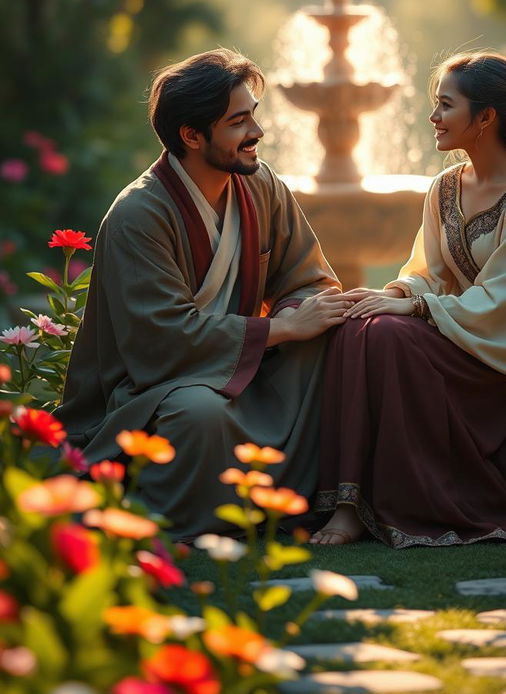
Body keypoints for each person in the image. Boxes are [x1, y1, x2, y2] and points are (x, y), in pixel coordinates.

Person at [57, 49, 350, 540]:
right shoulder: (138, 216)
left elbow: (306, 279)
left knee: (339, 345)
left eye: (253, 116)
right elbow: (160, 338)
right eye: (239, 122)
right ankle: (198, 529)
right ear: (191, 136)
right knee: (200, 414)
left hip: (241, 363)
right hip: (155, 386)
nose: (257, 132)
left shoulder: (261, 185)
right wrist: (279, 329)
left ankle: (311, 506)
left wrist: (302, 317)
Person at [311, 51, 506, 547]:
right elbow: (430, 274)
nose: (433, 117)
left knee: (388, 338)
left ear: (485, 117)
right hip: (454, 336)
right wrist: (394, 294)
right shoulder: (444, 188)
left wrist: (416, 308)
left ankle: (396, 503)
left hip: (502, 358)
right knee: (359, 325)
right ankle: (347, 503)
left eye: (445, 105)